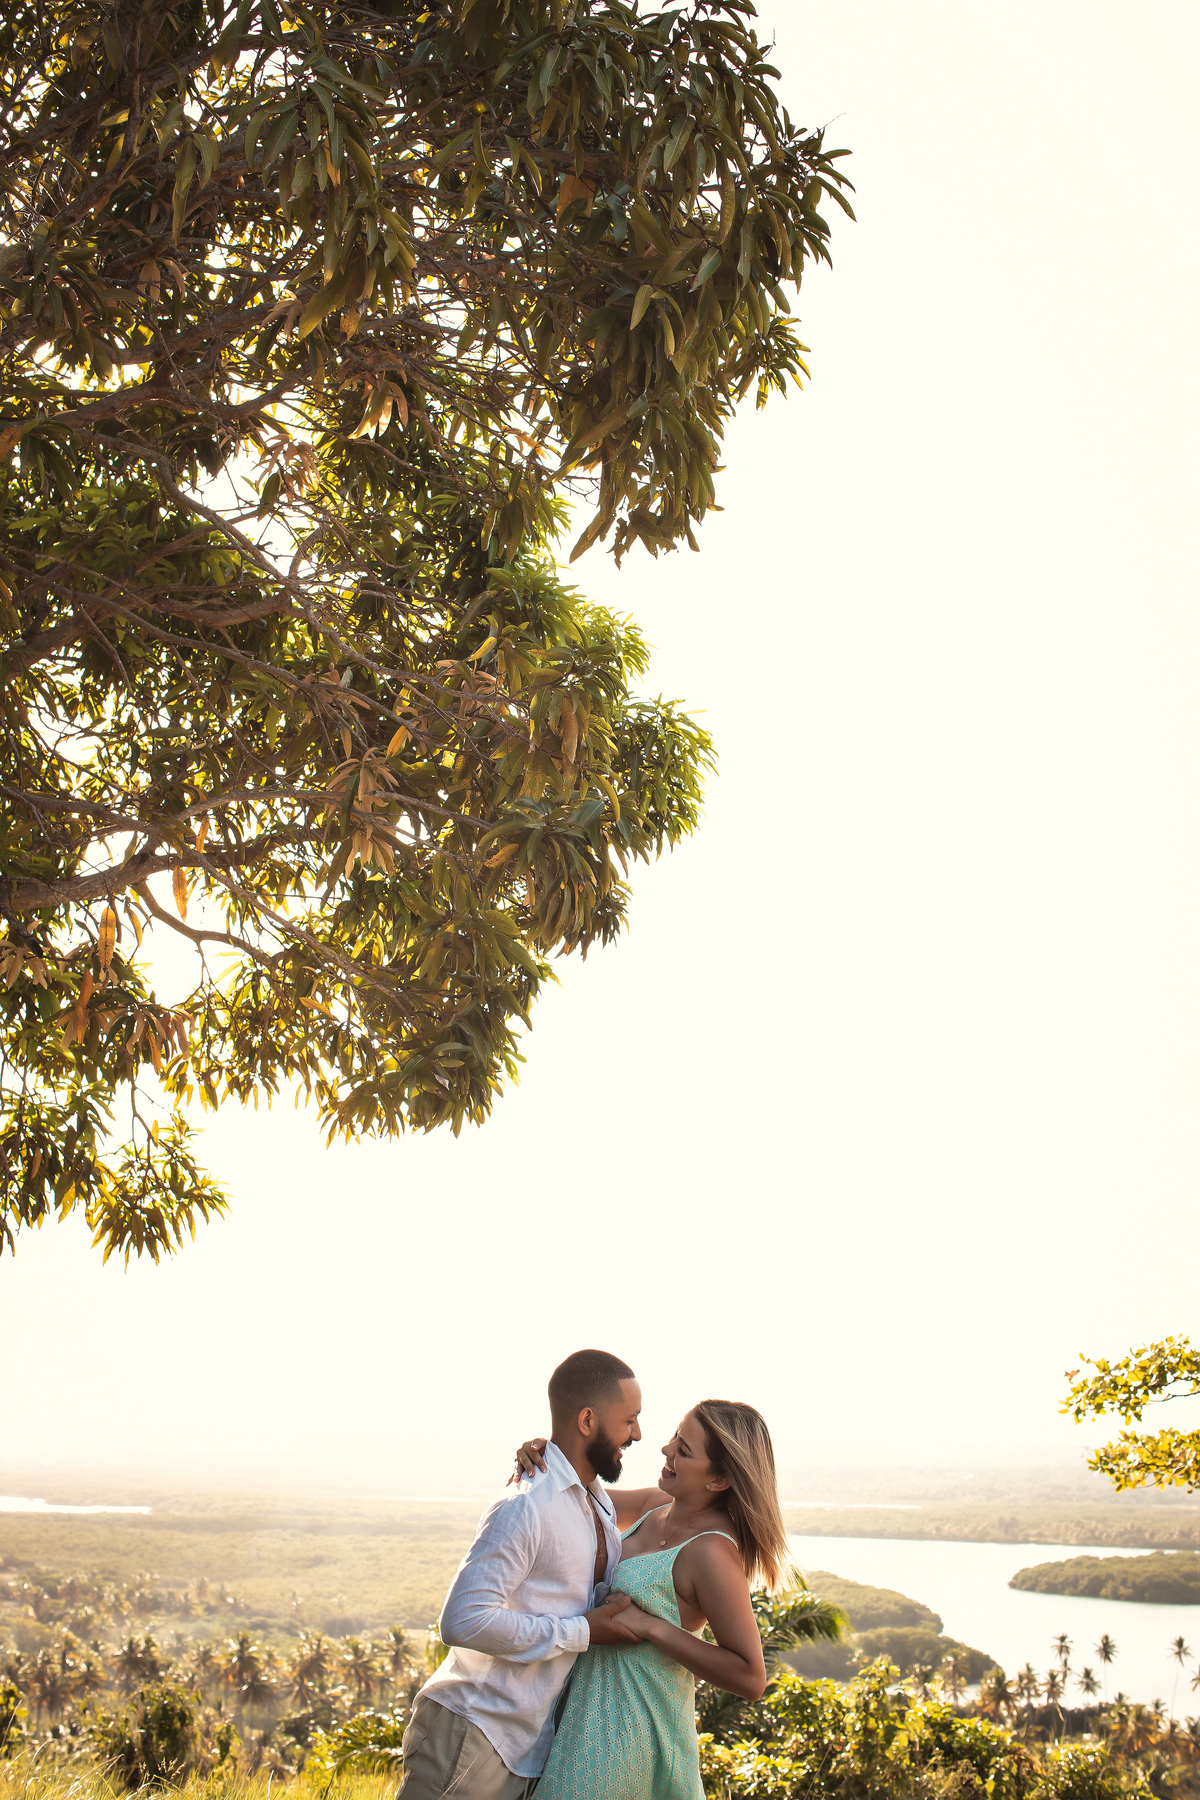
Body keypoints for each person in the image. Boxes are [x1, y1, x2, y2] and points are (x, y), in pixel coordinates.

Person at [397, 1349, 645, 1800]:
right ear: (587, 1421)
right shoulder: (527, 1503)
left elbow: (673, 1505)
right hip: (474, 1728)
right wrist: (581, 1632)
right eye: (629, 1420)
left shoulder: (595, 1501)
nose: (638, 1434)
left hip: (527, 1743)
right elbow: (462, 1620)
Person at [511, 1398, 788, 1800]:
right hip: (581, 1716)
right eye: (676, 1436)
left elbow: (750, 1677)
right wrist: (545, 1455)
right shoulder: (655, 1506)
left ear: (718, 1481)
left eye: (684, 1449)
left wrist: (651, 1626)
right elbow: (569, 1497)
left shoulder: (711, 1551)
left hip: (633, 1732)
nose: (666, 1449)